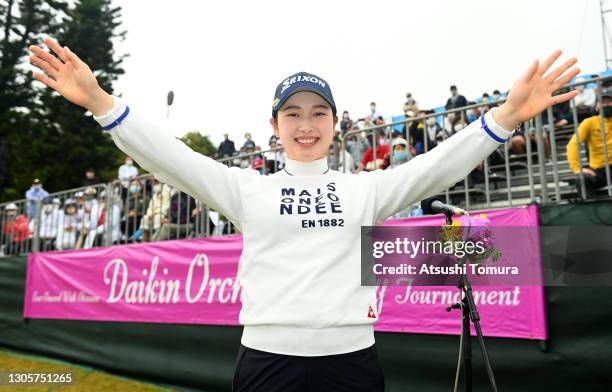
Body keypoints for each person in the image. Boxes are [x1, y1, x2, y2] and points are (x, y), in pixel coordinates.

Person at [29, 37, 580, 392]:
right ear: (275, 126)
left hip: (352, 364)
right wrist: (104, 104)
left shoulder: (367, 190)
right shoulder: (246, 189)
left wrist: (506, 116)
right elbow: (174, 160)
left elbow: (436, 168)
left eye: (318, 113)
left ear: (336, 123)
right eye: (292, 114)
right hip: (267, 364)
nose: (306, 123)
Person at [566, 88, 612, 198]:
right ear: (596, 106)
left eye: (609, 101)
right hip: (600, 170)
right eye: (602, 102)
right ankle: (591, 213)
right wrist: (577, 168)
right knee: (582, 180)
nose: (606, 104)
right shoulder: (589, 122)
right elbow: (572, 144)